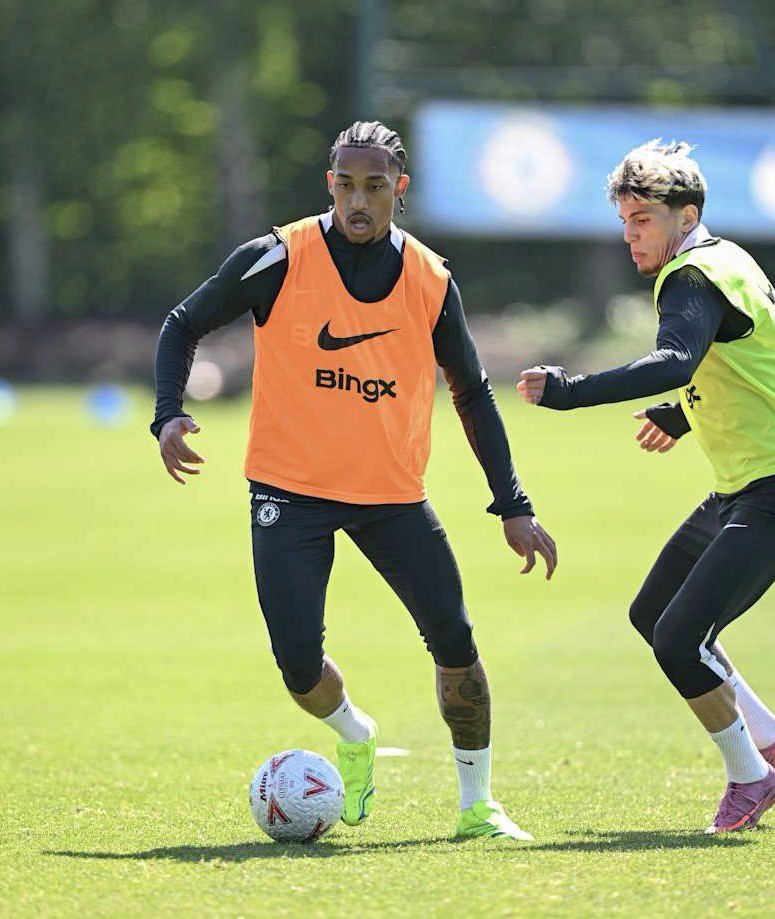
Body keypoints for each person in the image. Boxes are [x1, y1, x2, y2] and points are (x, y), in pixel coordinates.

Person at [153, 121, 557, 841]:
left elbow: (473, 390)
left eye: (375, 186)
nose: (358, 200)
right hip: (288, 491)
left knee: (456, 641)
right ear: (329, 184)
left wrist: (513, 503)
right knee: (298, 666)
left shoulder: (430, 279)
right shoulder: (278, 257)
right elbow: (182, 324)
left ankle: (477, 805)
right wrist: (167, 415)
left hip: (392, 497)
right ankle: (355, 730)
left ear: (399, 189)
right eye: (346, 185)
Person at [516, 140, 775, 834]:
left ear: (685, 215)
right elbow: (750, 359)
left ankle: (751, 775)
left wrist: (569, 391)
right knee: (654, 612)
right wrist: (683, 413)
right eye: (625, 221)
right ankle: (773, 738)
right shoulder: (728, 258)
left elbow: (674, 358)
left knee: (678, 638)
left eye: (643, 221)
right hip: (749, 487)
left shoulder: (690, 276)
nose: (631, 235)